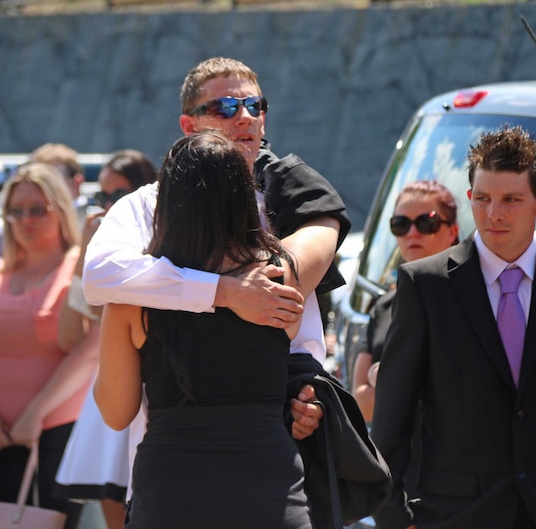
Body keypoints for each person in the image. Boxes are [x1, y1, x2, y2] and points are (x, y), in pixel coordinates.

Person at [371, 126, 536, 529]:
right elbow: (393, 417)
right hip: (455, 515)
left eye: (511, 200)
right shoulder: (424, 285)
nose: (494, 213)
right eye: (482, 198)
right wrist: (395, 518)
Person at [82, 57, 351, 440]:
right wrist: (224, 293)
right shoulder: (142, 205)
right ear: (188, 126)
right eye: (224, 108)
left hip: (267, 450)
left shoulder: (290, 198)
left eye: (255, 106)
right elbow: (98, 275)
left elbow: (286, 304)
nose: (244, 118)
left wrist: (305, 394)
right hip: (167, 453)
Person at [95, 130, 311, 528]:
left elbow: (115, 411)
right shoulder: (280, 277)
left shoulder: (133, 298)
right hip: (270, 489)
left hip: (170, 492)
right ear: (245, 196)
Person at [0, 163, 99, 529]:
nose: (25, 220)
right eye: (16, 211)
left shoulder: (80, 268)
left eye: (38, 209)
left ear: (61, 210)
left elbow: (91, 349)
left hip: (60, 435)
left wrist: (36, 413)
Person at [54, 150, 157, 529]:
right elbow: (70, 335)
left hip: (153, 394)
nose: (110, 206)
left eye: (119, 195)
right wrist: (85, 251)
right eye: (103, 198)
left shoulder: (159, 247)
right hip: (111, 391)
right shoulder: (101, 255)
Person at [352, 180, 459, 422]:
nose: (412, 233)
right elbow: (361, 403)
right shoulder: (383, 307)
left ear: (452, 231)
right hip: (394, 457)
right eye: (400, 224)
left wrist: (382, 376)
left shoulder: (471, 297)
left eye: (426, 222)